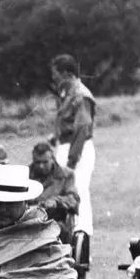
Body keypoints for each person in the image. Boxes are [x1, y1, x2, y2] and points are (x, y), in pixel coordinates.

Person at [49, 54, 95, 262]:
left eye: (57, 75)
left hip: (77, 149)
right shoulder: (67, 92)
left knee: (78, 191)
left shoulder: (81, 95)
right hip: (65, 145)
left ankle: (81, 237)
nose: (55, 79)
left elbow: (82, 128)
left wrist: (71, 160)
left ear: (67, 73)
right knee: (64, 190)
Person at [28, 141, 80, 244]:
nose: (41, 166)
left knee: (59, 229)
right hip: (29, 222)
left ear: (53, 159)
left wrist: (56, 202)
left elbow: (73, 199)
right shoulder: (25, 175)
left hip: (55, 221)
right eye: (37, 162)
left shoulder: (66, 175)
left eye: (45, 162)